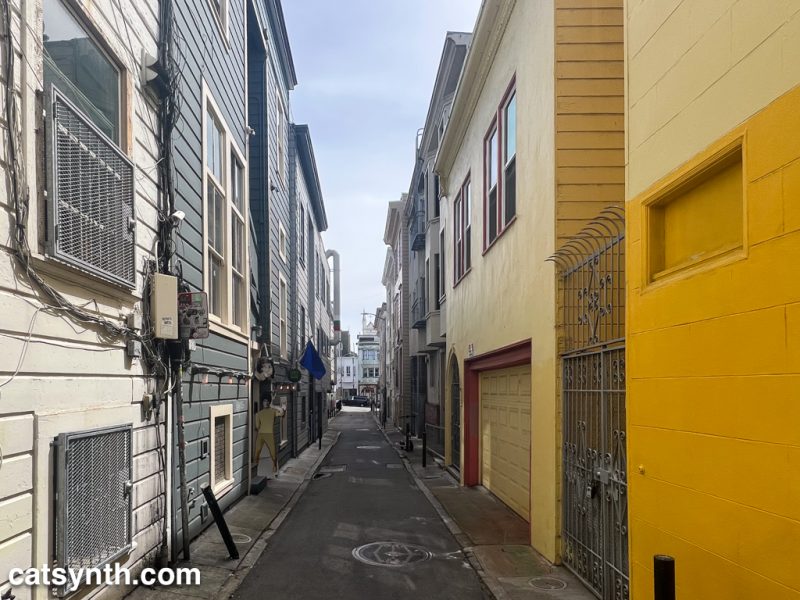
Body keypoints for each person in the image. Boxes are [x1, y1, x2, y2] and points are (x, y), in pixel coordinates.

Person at [253, 397, 285, 477]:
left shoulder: (263, 413)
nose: (265, 403)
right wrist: (273, 406)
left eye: (266, 401)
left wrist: (273, 406)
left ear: (268, 403)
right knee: (261, 452)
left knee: (261, 452)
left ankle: (273, 467)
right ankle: (269, 467)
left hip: (265, 434)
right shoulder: (261, 413)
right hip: (264, 434)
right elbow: (282, 412)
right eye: (264, 401)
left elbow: (282, 413)